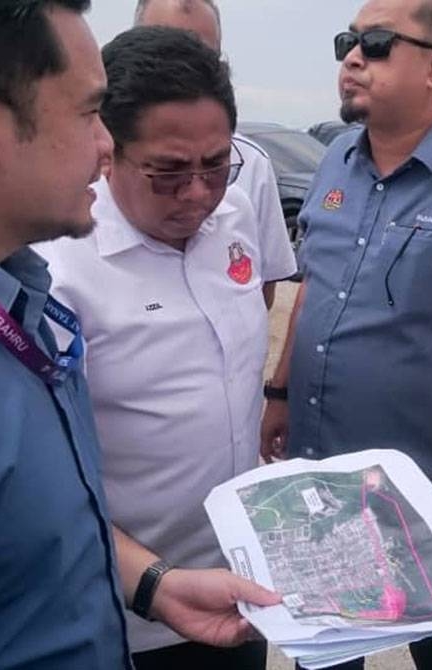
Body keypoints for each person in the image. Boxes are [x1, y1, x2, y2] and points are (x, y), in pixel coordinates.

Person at [0, 3, 277, 668]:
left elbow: (31, 535)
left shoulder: (3, 282)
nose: (104, 145)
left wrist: (152, 584)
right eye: (87, 112)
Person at [261, 1, 432, 667]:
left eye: (375, 44)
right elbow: (313, 286)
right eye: (347, 40)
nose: (352, 58)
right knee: (325, 648)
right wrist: (280, 391)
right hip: (329, 479)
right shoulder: (337, 162)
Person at [37, 26, 273, 670]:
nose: (198, 193)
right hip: (131, 605)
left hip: (241, 584)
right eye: (168, 172)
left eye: (217, 165)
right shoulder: (61, 271)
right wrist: (146, 581)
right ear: (108, 150)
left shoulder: (235, 219)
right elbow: (43, 479)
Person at [135, 0, 298, 307]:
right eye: (164, 56)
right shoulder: (91, 155)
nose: (183, 74)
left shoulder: (250, 165)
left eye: (201, 58)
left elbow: (261, 289)